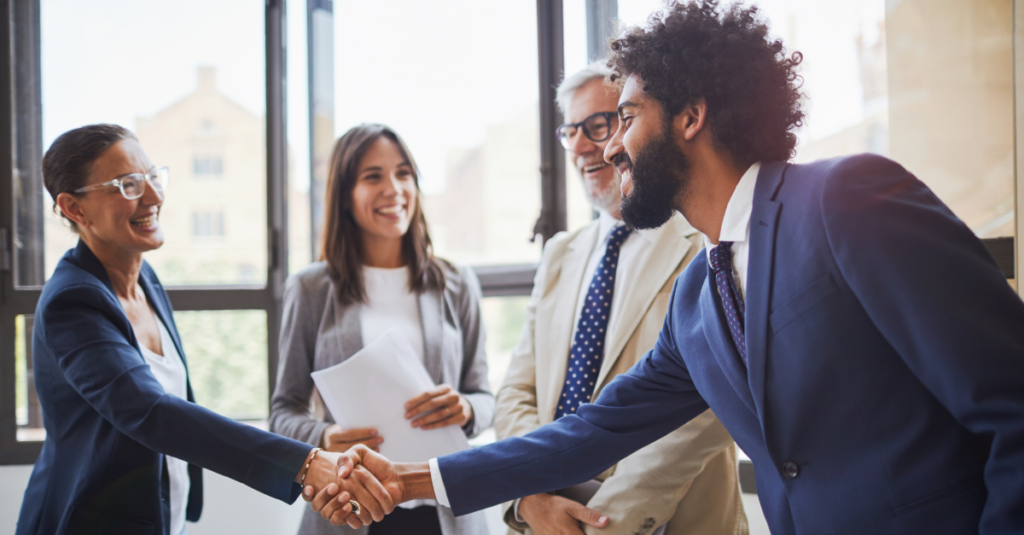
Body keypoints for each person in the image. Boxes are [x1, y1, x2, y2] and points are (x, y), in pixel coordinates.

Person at [309, 2, 1024, 534]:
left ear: (691, 115)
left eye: (625, 116)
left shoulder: (845, 199)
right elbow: (589, 431)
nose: (609, 146)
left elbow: (1011, 400)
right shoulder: (697, 297)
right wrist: (409, 479)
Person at [16, 124, 394, 535]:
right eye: (127, 185)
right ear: (74, 209)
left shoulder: (146, 281)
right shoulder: (73, 303)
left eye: (151, 178)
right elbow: (151, 411)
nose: (154, 197)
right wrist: (304, 464)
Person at [494, 62, 745, 535]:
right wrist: (531, 497)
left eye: (600, 124)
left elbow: (708, 408)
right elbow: (516, 393)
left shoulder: (703, 240)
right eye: (572, 131)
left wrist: (603, 523)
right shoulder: (560, 254)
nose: (586, 147)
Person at [270, 124, 493, 535]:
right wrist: (325, 434)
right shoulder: (311, 289)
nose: (393, 188)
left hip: (445, 510)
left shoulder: (456, 282)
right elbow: (283, 412)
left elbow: (484, 395)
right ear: (345, 195)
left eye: (403, 173)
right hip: (350, 510)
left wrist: (467, 409)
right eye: (373, 176)